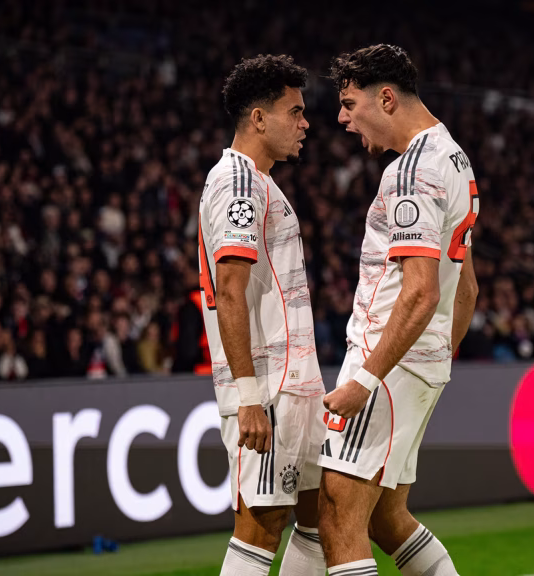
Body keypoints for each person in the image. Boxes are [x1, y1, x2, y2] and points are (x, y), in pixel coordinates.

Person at [317, 44, 479, 576]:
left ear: (385, 98)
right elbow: (467, 288)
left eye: (348, 103)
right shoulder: (454, 157)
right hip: (418, 362)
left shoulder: (411, 172)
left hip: (386, 365)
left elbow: (420, 292)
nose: (341, 118)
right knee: (387, 516)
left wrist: (367, 378)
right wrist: (435, 359)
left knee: (339, 510)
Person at [197, 54, 326, 575]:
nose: (305, 123)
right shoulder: (239, 184)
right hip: (267, 389)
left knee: (323, 521)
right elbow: (230, 289)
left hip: (291, 385)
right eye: (294, 112)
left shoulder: (261, 182)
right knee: (260, 527)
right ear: (258, 118)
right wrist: (249, 396)